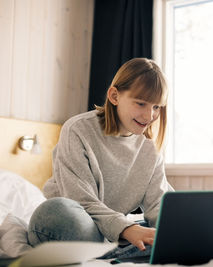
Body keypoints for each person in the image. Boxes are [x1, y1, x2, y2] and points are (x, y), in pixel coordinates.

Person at [28, 58, 173, 252]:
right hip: (70, 220)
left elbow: (157, 204)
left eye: (156, 107)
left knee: (170, 224)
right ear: (114, 96)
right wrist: (127, 228)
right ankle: (119, 243)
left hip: (111, 228)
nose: (149, 116)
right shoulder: (77, 130)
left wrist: (178, 228)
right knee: (57, 212)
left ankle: (114, 245)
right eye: (140, 104)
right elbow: (80, 199)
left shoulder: (149, 148)